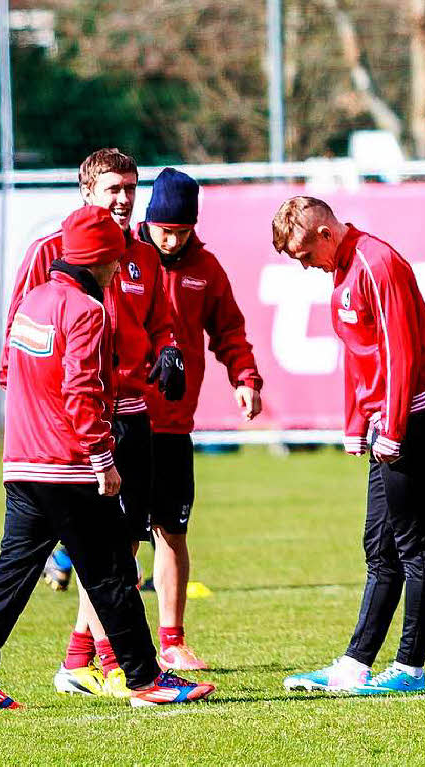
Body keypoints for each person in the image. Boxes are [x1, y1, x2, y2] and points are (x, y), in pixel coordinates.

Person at [0, 207, 214, 709]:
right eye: (115, 257)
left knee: (13, 571)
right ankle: (145, 681)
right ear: (98, 259)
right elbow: (81, 390)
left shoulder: (35, 301)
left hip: (23, 462)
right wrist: (102, 459)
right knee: (113, 570)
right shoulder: (86, 311)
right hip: (67, 466)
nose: (121, 267)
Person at [0, 148, 187, 697]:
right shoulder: (50, 252)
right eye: (113, 189)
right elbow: (19, 332)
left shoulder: (144, 255)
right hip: (80, 428)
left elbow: (162, 323)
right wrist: (32, 416)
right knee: (100, 550)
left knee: (126, 543)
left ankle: (82, 659)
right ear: (87, 194)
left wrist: (170, 349)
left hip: (133, 416)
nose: (125, 199)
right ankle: (107, 662)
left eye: (131, 188)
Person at [272, 197, 425, 695]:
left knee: (415, 546)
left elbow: (400, 353)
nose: (305, 266)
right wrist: (356, 424)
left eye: (305, 254)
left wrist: (393, 427)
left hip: (418, 416)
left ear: (325, 234)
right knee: (379, 544)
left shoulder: (378, 264)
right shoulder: (342, 270)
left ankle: (410, 669)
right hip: (388, 421)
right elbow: (359, 356)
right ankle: (354, 666)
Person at [136, 168, 264, 671]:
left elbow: (229, 329)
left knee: (172, 531)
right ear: (148, 222)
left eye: (181, 231)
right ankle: (107, 649)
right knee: (120, 540)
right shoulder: (126, 260)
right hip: (125, 419)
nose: (171, 239)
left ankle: (172, 639)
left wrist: (245, 377)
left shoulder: (206, 269)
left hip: (173, 425)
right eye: (164, 229)